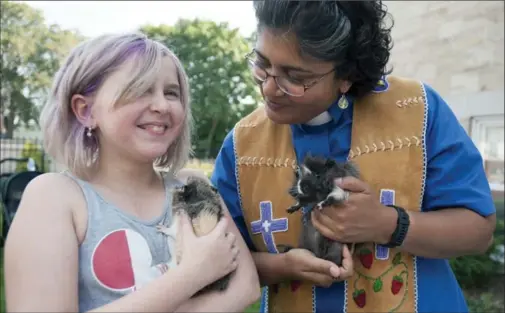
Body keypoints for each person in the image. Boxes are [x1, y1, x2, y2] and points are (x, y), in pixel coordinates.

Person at [211, 1, 497, 313]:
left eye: (295, 76)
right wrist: (283, 266)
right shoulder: (241, 146)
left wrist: (388, 224)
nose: (268, 87)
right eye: (262, 63)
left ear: (346, 75)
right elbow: (216, 264)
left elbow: (479, 231)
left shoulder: (418, 110)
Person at [4, 32, 260, 312]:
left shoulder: (191, 188)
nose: (162, 105)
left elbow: (245, 287)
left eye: (171, 93)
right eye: (140, 89)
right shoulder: (55, 197)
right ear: (85, 110)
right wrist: (192, 274)